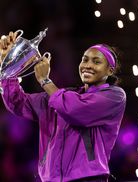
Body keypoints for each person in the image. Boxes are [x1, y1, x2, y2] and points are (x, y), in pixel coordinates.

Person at [0, 31, 126, 182]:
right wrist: (8, 64)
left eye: (96, 62)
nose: (88, 65)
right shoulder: (62, 95)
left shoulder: (114, 96)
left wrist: (45, 81)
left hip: (88, 179)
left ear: (110, 70)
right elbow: (17, 103)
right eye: (84, 60)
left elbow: (74, 110)